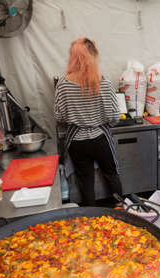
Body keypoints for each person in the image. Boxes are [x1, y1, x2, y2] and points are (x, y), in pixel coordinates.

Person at [54, 37, 122, 206]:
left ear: (73, 57)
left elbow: (59, 117)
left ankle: (90, 217)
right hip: (100, 138)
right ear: (94, 55)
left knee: (86, 180)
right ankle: (120, 209)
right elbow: (114, 117)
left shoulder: (63, 84)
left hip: (77, 141)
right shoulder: (104, 83)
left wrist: (75, 119)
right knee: (111, 174)